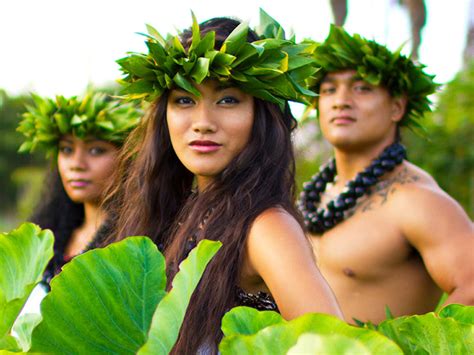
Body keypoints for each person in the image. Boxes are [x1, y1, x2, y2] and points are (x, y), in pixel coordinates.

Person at [105, 12, 343, 353]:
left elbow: (337, 347)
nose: (203, 122)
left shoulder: (266, 228)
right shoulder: (183, 211)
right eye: (185, 100)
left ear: (260, 115)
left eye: (228, 99)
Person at [298, 25, 474, 324]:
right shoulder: (316, 194)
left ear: (396, 107)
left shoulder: (415, 199)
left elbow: (471, 288)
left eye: (362, 88)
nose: (341, 100)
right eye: (329, 89)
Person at [17, 91, 142, 288]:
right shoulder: (49, 236)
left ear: (128, 157)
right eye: (67, 149)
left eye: (96, 150)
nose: (76, 164)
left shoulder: (141, 240)